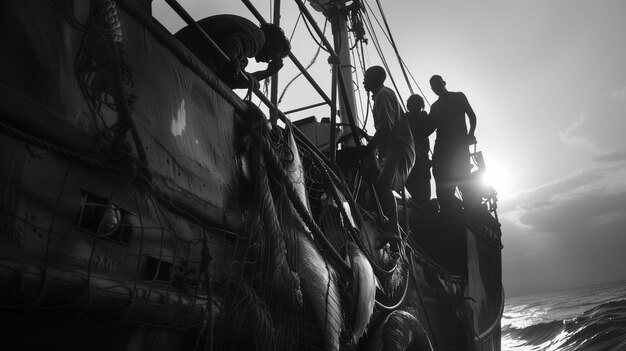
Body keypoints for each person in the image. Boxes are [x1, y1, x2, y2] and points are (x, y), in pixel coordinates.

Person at [361, 66, 415, 247]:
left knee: (383, 183)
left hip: (399, 147)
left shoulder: (383, 95)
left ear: (377, 78)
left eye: (367, 77)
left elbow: (386, 129)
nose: (363, 80)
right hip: (393, 148)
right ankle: (387, 224)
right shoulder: (380, 96)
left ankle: (394, 229)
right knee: (378, 185)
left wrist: (368, 148)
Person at [175, 15, 290, 89]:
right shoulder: (259, 38)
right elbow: (229, 50)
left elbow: (230, 80)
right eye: (274, 55)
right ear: (273, 43)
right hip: (181, 55)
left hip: (180, 50)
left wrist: (266, 73)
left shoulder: (250, 34)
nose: (268, 61)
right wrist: (234, 64)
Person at [428, 75, 477, 215]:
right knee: (442, 184)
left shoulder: (459, 97)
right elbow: (428, 129)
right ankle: (446, 214)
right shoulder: (435, 107)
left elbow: (472, 116)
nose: (436, 88)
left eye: (438, 84)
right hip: (441, 150)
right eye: (433, 86)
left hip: (459, 148)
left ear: (444, 83)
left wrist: (471, 134)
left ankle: (471, 215)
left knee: (463, 182)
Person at [404, 94, 435, 213]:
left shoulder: (423, 117)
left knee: (423, 196)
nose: (415, 108)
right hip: (413, 162)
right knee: (419, 196)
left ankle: (424, 212)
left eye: (417, 105)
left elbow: (430, 127)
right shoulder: (406, 118)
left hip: (420, 162)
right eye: (413, 105)